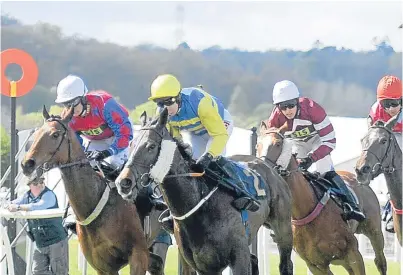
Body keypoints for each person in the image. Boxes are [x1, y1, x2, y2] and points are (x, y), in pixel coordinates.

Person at [148, 74, 258, 232]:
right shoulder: (163, 113)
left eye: (169, 101)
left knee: (214, 163)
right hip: (197, 132)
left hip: (219, 126)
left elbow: (219, 135)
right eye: (160, 103)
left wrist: (209, 155)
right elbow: (174, 137)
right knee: (190, 167)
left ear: (178, 97)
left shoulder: (200, 104)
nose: (165, 107)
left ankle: (242, 193)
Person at [266, 79, 365, 222]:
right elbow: (273, 142)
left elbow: (330, 141)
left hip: (318, 141)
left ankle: (351, 206)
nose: (287, 111)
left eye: (291, 105)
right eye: (283, 107)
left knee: (324, 169)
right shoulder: (275, 118)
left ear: (297, 101)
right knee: (286, 172)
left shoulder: (313, 109)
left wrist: (312, 158)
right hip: (296, 144)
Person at [6, 177, 71, 275]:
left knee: (59, 272)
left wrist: (18, 208)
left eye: (42, 182)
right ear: (30, 186)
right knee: (38, 270)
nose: (40, 185)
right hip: (40, 242)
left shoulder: (49, 195)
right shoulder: (27, 195)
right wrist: (9, 205)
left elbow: (39, 206)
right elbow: (15, 202)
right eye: (36, 183)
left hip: (56, 240)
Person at [55, 74, 133, 176]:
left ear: (83, 98)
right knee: (84, 168)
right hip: (94, 140)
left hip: (118, 136)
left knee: (113, 168)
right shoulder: (67, 118)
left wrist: (108, 152)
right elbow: (75, 143)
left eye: (73, 102)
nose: (70, 109)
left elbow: (125, 133)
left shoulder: (104, 104)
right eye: (66, 104)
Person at [368, 75, 402, 232]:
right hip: (390, 136)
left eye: (393, 104)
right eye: (385, 104)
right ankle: (391, 207)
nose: (389, 109)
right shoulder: (376, 111)